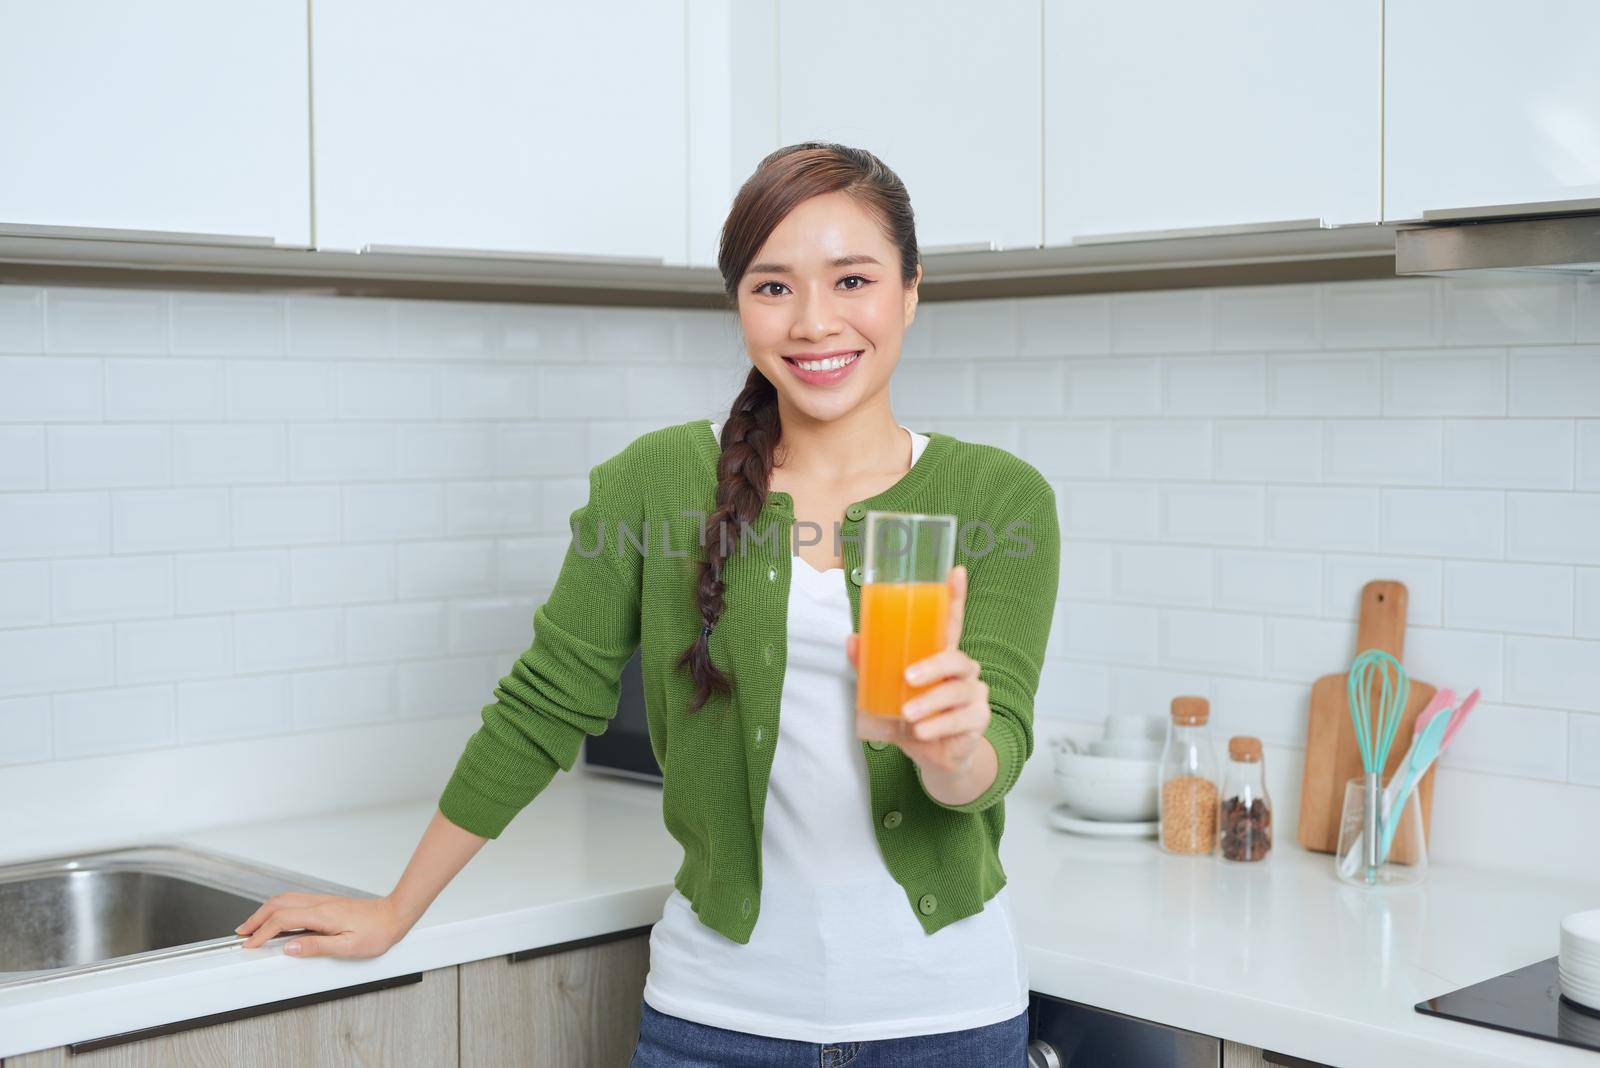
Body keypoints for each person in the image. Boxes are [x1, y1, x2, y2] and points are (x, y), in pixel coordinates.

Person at [233, 142, 1060, 1067]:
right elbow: (542, 708)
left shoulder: (999, 498)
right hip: (716, 1021)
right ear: (739, 304)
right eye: (773, 286)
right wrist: (396, 908)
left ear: (910, 289)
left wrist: (947, 752)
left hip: (942, 1022)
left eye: (853, 279)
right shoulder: (656, 483)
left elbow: (997, 756)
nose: (815, 322)